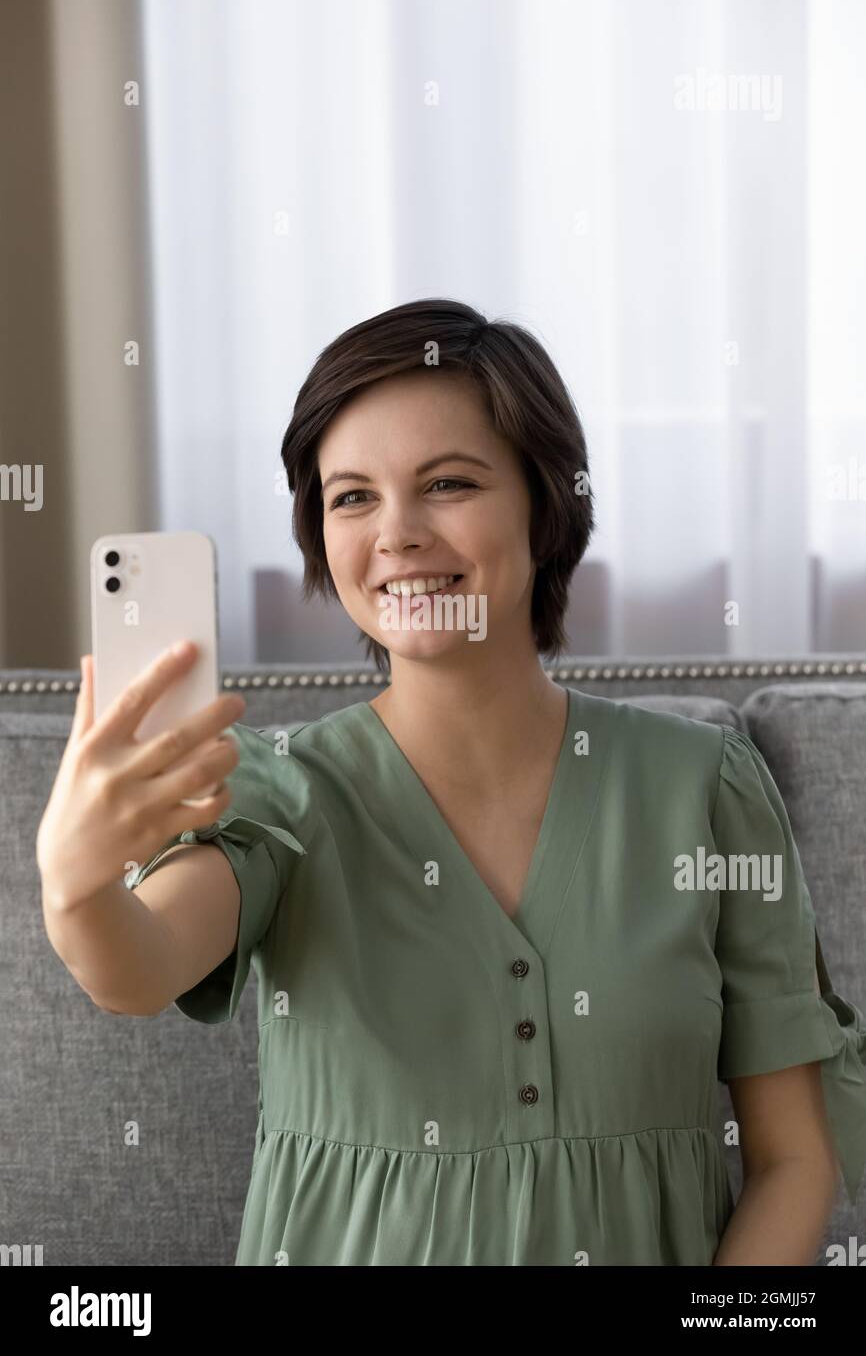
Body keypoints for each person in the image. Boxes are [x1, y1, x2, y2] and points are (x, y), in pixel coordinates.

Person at [39, 298, 866, 1265]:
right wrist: (78, 885)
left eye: (448, 483)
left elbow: (793, 1161)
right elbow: (136, 968)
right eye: (351, 497)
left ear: (545, 504)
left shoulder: (706, 790)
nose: (396, 534)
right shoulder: (276, 791)